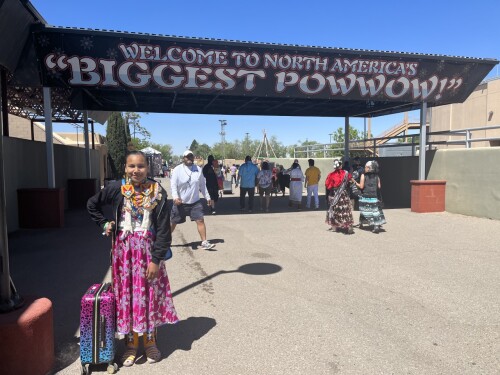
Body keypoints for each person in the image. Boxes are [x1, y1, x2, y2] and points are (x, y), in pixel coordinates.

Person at [87, 150, 179, 367]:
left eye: (141, 166)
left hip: (148, 252)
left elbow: (164, 230)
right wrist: (105, 224)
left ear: (148, 168)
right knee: (126, 297)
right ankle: (130, 345)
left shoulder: (158, 192)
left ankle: (149, 342)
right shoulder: (115, 189)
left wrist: (156, 260)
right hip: (124, 255)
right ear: (125, 168)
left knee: (148, 297)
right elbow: (92, 204)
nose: (136, 170)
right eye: (131, 166)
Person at [170, 150, 215, 250]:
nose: (189, 158)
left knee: (200, 220)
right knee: (173, 222)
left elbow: (202, 185)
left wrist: (207, 197)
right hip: (180, 202)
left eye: (191, 157)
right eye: (187, 157)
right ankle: (166, 240)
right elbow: (173, 185)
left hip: (195, 202)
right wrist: (175, 197)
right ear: (183, 158)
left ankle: (204, 242)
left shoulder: (198, 169)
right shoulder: (177, 169)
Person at [354, 160, 386, 233]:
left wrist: (355, 182)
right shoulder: (377, 176)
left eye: (365, 167)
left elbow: (361, 186)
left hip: (365, 196)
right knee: (375, 211)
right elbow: (379, 186)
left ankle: (361, 223)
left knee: (363, 210)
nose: (364, 168)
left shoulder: (363, 175)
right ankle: (376, 226)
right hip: (374, 197)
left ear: (369, 168)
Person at [325, 158, 355, 234]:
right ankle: (348, 226)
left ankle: (334, 227)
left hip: (335, 194)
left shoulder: (331, 175)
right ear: (340, 166)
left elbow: (328, 185)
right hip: (343, 194)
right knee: (345, 210)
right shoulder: (346, 173)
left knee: (334, 210)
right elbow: (351, 180)